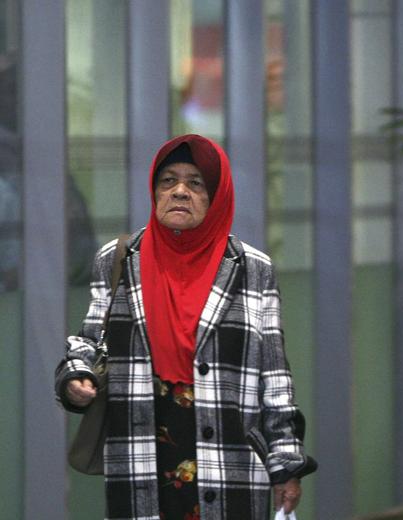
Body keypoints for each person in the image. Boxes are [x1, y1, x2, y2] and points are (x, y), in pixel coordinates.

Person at [55, 134, 315, 519]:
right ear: (154, 191)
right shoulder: (119, 259)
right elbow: (90, 341)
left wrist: (286, 464)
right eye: (168, 181)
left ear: (216, 196)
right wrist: (76, 376)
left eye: (196, 183)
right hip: (141, 455)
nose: (179, 191)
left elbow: (274, 376)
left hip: (231, 460)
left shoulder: (252, 268)